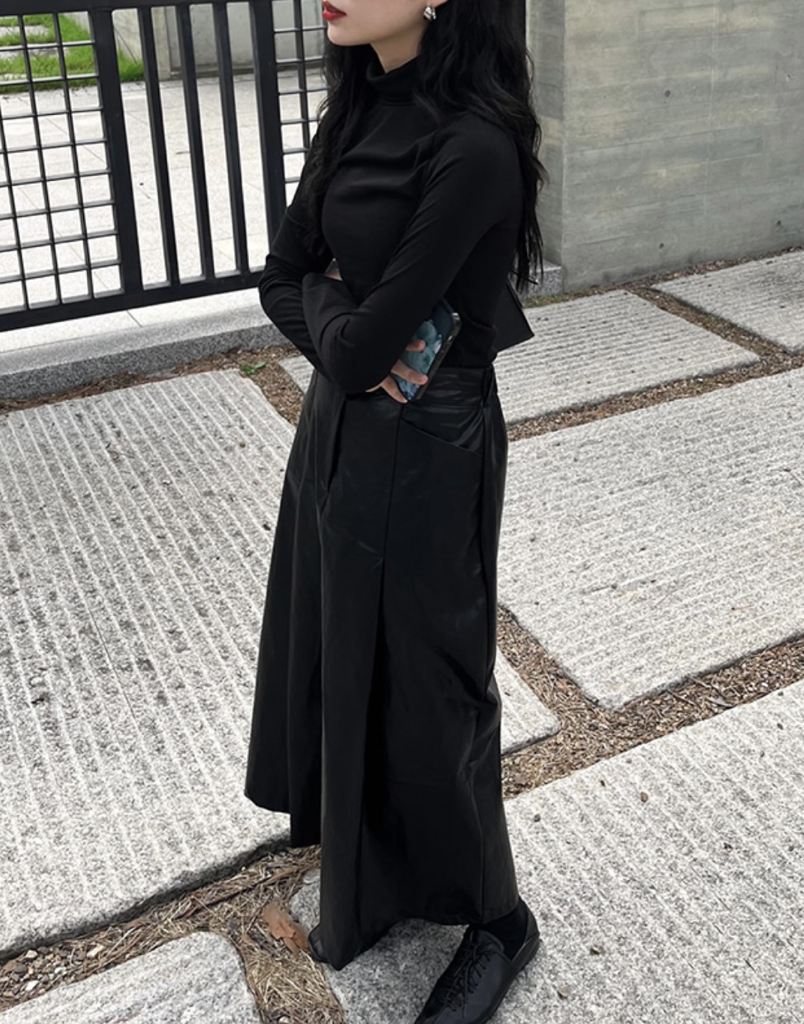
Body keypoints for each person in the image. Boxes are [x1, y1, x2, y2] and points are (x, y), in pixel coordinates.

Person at [244, 0, 548, 1020]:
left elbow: (363, 340)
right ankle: (377, 874)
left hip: (431, 447)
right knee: (344, 649)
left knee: (435, 680)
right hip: (338, 431)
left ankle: (499, 918)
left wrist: (343, 325)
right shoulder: (357, 106)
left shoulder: (475, 147)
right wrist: (346, 327)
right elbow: (280, 277)